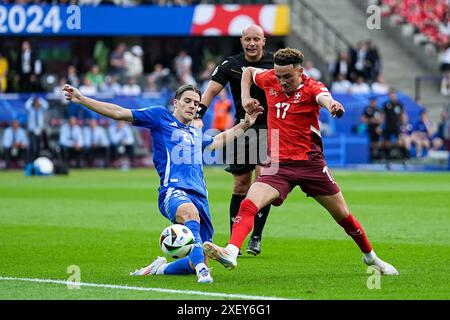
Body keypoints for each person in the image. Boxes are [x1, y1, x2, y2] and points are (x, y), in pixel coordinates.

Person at [202, 48, 399, 276]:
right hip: (278, 165)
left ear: (300, 71)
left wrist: (332, 105)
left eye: (287, 77)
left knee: (343, 216)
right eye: (278, 76)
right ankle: (231, 251)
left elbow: (324, 98)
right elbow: (247, 72)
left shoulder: (312, 87)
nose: (281, 81)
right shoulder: (270, 79)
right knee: (249, 203)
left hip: (311, 165)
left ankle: (371, 258)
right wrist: (246, 98)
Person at [62, 83, 262, 284]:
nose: (193, 106)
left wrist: (245, 125)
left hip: (201, 196)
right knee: (190, 215)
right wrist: (82, 99)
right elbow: (120, 112)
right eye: (187, 101)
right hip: (173, 191)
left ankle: (161, 269)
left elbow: (218, 141)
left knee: (195, 258)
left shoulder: (194, 133)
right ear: (175, 103)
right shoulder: (160, 117)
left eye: (196, 103)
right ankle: (203, 272)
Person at [197, 24, 274, 256]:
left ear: (263, 41)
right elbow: (210, 92)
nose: (252, 43)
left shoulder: (275, 63)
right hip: (242, 128)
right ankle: (235, 240)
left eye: (256, 39)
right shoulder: (231, 64)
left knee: (263, 182)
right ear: (241, 41)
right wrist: (198, 116)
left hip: (270, 129)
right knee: (241, 184)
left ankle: (256, 237)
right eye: (247, 39)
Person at [382, 88, 404, 168]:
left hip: (397, 126)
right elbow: (383, 116)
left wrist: (404, 124)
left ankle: (401, 158)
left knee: (400, 141)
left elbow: (402, 115)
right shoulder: (386, 104)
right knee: (387, 143)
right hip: (388, 125)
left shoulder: (399, 104)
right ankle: (388, 160)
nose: (392, 96)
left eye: (393, 94)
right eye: (390, 94)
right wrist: (380, 126)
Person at [25, 96, 49, 163]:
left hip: (39, 131)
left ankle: (36, 161)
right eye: (36, 102)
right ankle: (31, 161)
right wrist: (31, 98)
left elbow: (46, 105)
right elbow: (26, 105)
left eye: (38, 102)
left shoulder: (41, 110)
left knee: (38, 148)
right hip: (32, 131)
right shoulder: (31, 110)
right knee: (33, 148)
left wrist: (40, 98)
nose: (37, 104)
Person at [361, 97, 383, 162]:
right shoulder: (367, 109)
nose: (373, 103)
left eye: (374, 101)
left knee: (378, 143)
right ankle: (371, 157)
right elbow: (363, 119)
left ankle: (378, 157)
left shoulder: (378, 109)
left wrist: (375, 121)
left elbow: (381, 119)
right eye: (372, 101)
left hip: (377, 128)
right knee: (371, 143)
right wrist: (371, 120)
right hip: (369, 128)